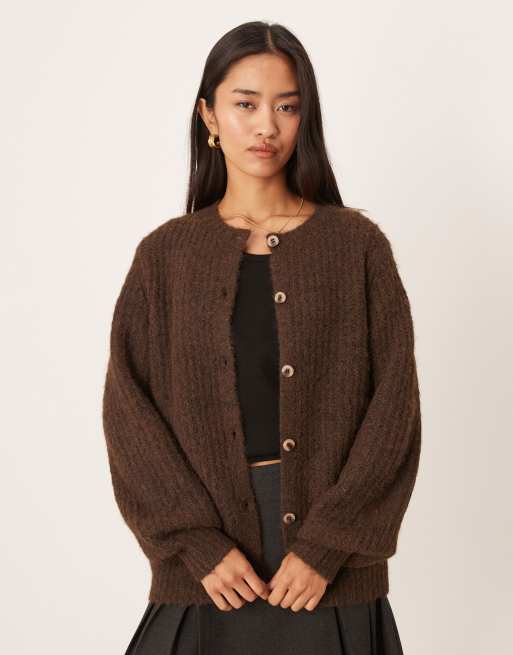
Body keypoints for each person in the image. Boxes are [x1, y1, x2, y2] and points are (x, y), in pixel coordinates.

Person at [102, 20, 421, 655]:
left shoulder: (356, 247)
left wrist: (328, 545)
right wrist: (195, 542)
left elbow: (394, 409)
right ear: (209, 116)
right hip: (211, 570)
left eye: (287, 107)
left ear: (307, 119)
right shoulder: (165, 257)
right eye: (245, 104)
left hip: (329, 570)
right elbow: (128, 413)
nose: (266, 126)